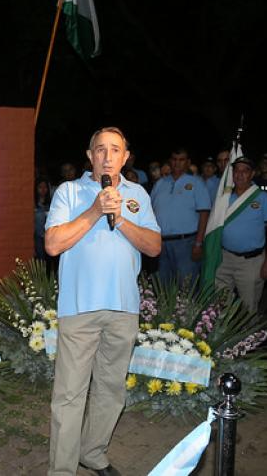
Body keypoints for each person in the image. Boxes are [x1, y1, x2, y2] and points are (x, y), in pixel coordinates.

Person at [45, 127, 161, 476]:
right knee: (69, 395)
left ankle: (92, 453)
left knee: (110, 391)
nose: (107, 156)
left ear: (126, 157)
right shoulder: (68, 191)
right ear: (90, 155)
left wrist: (121, 218)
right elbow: (53, 244)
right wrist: (96, 211)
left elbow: (154, 246)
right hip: (79, 309)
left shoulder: (138, 193)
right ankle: (62, 470)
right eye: (100, 150)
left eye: (115, 150)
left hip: (123, 308)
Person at [214, 157, 267, 312]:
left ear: (252, 174)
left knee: (248, 309)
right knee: (220, 305)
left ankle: (248, 336)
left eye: (245, 171)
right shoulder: (224, 197)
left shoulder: (262, 198)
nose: (240, 174)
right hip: (224, 258)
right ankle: (224, 336)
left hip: (251, 262)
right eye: (237, 170)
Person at [151, 148, 211, 286]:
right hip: (161, 244)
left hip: (186, 244)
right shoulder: (160, 183)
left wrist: (198, 243)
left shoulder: (196, 183)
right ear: (170, 162)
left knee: (186, 290)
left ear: (188, 162)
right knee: (162, 288)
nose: (177, 163)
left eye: (181, 160)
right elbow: (151, 212)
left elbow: (204, 214)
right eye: (174, 159)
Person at [35, 177, 52, 261]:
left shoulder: (51, 202)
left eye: (45, 187)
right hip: (38, 237)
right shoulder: (33, 203)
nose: (43, 189)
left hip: (50, 236)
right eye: (40, 187)